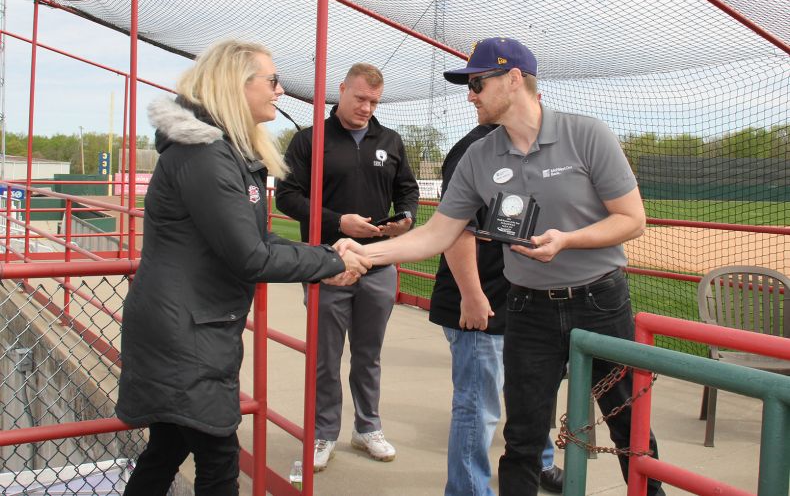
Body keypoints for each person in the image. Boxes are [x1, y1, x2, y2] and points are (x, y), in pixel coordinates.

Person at [338, 37, 665, 496]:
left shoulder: (586, 134)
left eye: (477, 83)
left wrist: (567, 241)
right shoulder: (479, 155)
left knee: (628, 424)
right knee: (523, 437)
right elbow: (438, 234)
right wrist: (363, 253)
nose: (470, 94)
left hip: (600, 303)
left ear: (514, 80)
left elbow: (632, 220)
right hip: (528, 309)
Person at [116, 40, 370, 496]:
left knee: (168, 448)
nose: (279, 91)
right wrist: (330, 261)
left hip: (194, 327)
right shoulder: (204, 155)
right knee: (218, 461)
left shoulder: (222, 151)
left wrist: (326, 257)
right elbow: (250, 256)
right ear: (236, 85)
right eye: (272, 81)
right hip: (184, 335)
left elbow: (251, 240)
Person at [275, 63, 419, 471]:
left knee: (368, 355)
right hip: (327, 263)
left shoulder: (389, 140)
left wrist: (405, 217)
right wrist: (338, 221)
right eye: (360, 99)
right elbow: (286, 197)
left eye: (374, 101)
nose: (367, 108)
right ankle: (324, 432)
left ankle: (367, 428)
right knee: (326, 356)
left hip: (377, 262)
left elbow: (406, 189)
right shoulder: (309, 140)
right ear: (342, 90)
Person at [430, 124, 563, 496]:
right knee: (478, 409)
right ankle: (468, 490)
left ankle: (542, 462)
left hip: (527, 299)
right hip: (481, 300)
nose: (473, 94)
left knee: (533, 395)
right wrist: (472, 296)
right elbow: (456, 229)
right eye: (472, 85)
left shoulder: (542, 150)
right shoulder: (471, 150)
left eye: (480, 84)